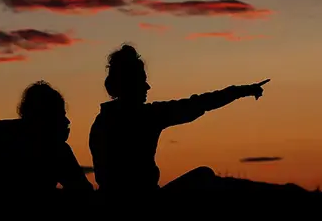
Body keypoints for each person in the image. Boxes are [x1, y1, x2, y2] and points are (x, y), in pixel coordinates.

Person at [89, 44, 270, 205]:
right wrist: (242, 91)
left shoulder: (101, 122)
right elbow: (199, 103)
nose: (147, 87)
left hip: (110, 202)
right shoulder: (148, 116)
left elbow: (197, 104)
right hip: (144, 202)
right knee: (204, 176)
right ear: (129, 84)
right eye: (142, 81)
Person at [0, 81, 94, 209]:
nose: (66, 121)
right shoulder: (55, 148)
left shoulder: (0, 140)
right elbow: (83, 191)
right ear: (44, 117)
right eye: (60, 115)